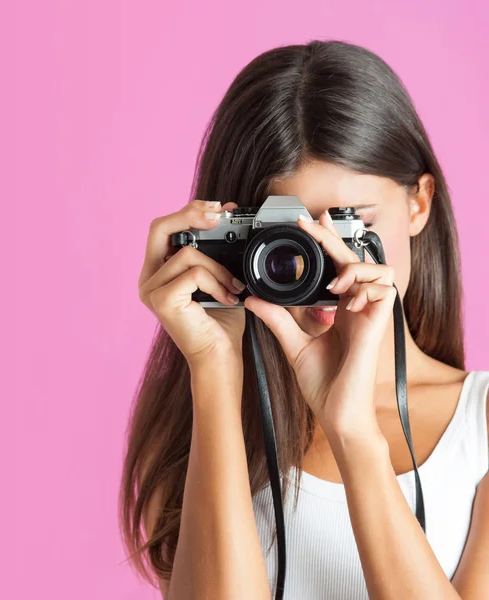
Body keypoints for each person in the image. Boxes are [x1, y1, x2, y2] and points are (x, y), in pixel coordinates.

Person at [118, 39, 489, 599]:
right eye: (288, 235)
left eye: (349, 224)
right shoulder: (197, 429)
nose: (320, 259)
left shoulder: (480, 427)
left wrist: (352, 429)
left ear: (419, 204)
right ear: (238, 234)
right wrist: (214, 367)